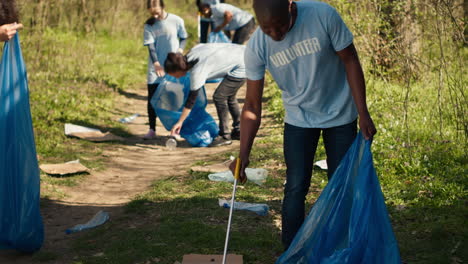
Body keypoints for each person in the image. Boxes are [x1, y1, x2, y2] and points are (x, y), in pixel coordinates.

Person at [229, 0, 377, 250]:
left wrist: (363, 112)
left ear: (290, 7)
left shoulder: (323, 15)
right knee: (296, 185)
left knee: (341, 184)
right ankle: (292, 249)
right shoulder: (256, 46)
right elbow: (252, 105)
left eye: (279, 26)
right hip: (299, 118)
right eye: (267, 29)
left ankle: (341, 246)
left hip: (340, 112)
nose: (275, 34)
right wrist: (243, 154)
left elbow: (350, 60)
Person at [164, 43, 246, 146]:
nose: (176, 78)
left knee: (219, 97)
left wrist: (180, 122)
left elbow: (191, 101)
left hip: (243, 65)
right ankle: (239, 130)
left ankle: (225, 135)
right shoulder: (191, 53)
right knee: (229, 96)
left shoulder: (197, 71)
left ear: (178, 70)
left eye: (174, 75)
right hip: (242, 53)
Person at [143, 0, 188, 139]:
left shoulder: (176, 20)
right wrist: (156, 63)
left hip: (172, 67)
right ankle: (152, 129)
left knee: (174, 97)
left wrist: (180, 51)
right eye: (150, 7)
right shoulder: (149, 25)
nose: (152, 9)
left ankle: (175, 131)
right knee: (152, 98)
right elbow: (150, 46)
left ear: (162, 6)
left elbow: (184, 37)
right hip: (156, 68)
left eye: (155, 6)